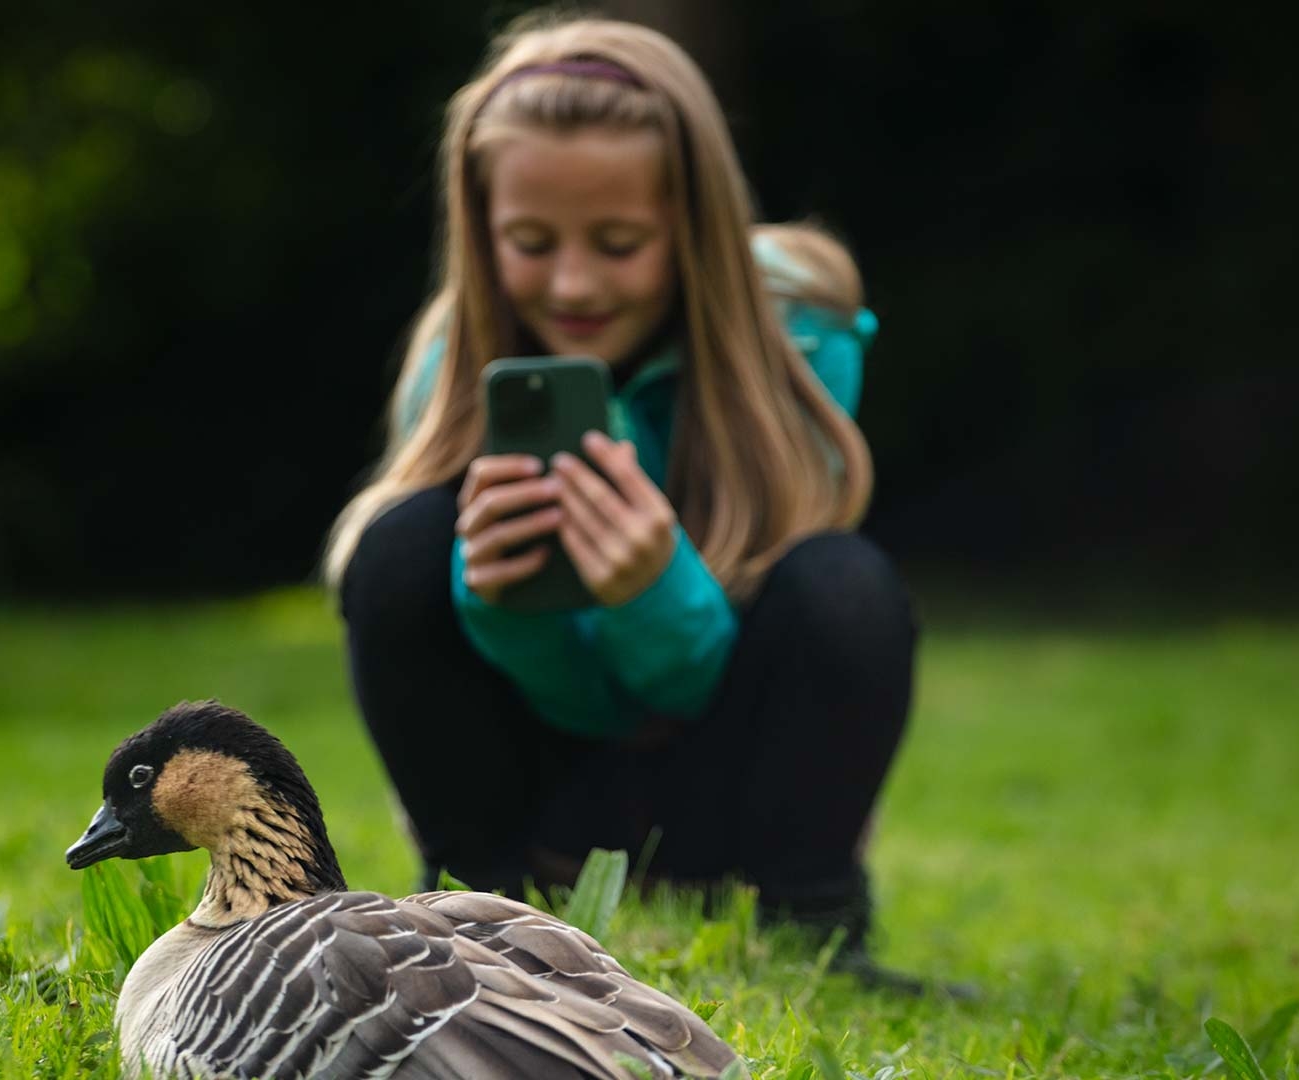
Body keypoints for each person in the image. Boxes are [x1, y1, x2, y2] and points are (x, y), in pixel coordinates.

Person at [326, 14, 923, 985]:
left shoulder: (803, 343)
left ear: (696, 230)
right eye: (529, 240)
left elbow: (740, 676)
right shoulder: (454, 360)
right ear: (479, 232)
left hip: (729, 789)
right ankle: (479, 909)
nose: (572, 282)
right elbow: (560, 692)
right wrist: (507, 608)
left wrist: (652, 593)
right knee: (400, 548)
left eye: (619, 242)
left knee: (844, 584)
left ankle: (811, 932)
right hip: (543, 797)